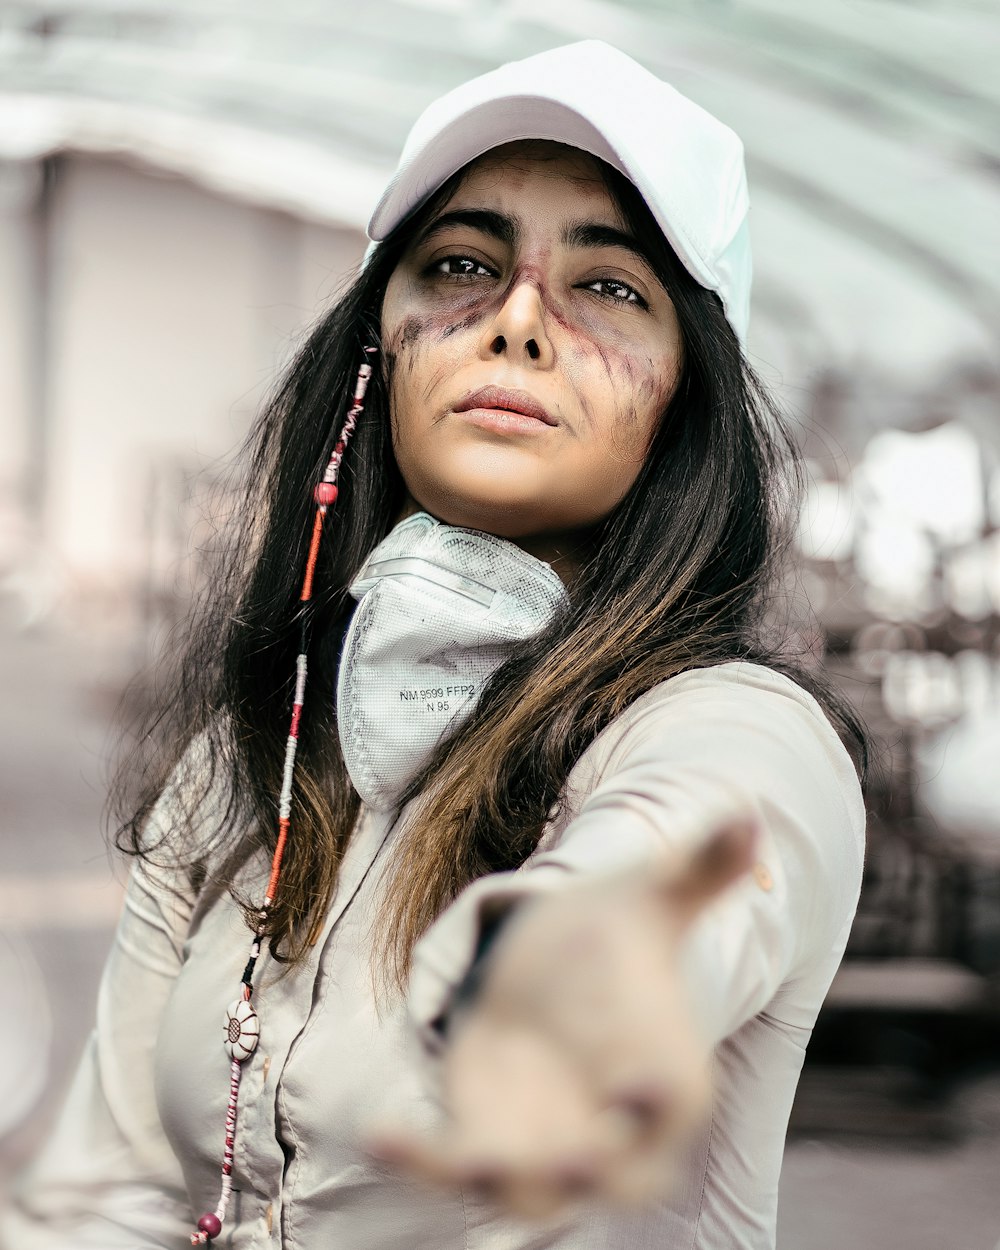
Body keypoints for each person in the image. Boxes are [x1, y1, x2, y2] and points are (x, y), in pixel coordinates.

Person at [2, 39, 867, 1250]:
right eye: (459, 266)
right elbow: (103, 1190)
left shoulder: (731, 737)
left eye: (609, 287)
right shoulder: (254, 751)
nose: (516, 321)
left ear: (685, 394)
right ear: (374, 354)